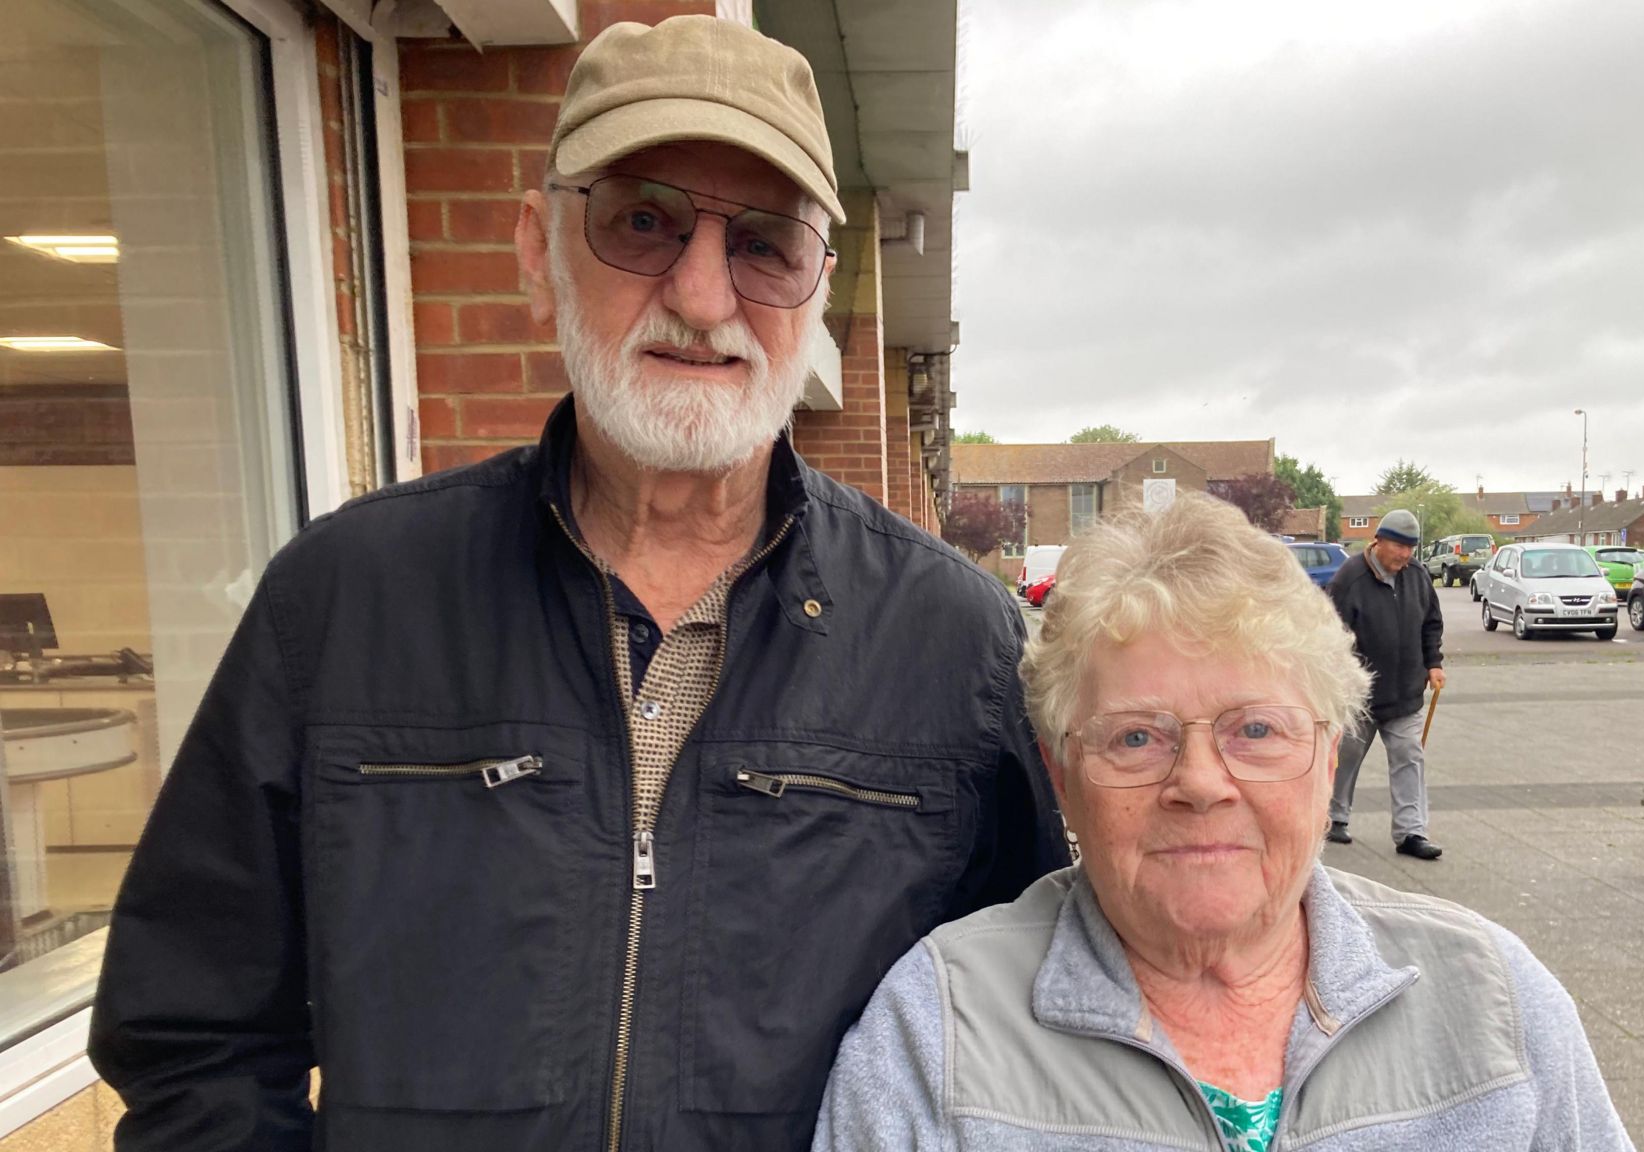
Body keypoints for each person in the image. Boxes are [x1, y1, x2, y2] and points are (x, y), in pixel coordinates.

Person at [87, 16, 1063, 1151]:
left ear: (816, 289)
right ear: (535, 250)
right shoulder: (345, 604)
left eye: (763, 243)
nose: (701, 298)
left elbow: (1028, 1034)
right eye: (641, 222)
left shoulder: (955, 645)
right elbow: (195, 1034)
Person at [811, 494, 1631, 1150]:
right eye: (1137, 736)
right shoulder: (937, 1033)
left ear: (1329, 749)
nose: (1201, 783)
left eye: (1256, 731)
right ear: (1061, 774)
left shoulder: (1496, 1004)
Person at [1325, 507, 1445, 858]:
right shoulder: (1349, 579)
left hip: (1405, 690)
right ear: (1378, 541)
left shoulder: (1418, 576)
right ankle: (1334, 817)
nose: (1405, 554)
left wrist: (1433, 663)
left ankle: (1411, 833)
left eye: (1411, 548)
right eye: (1399, 546)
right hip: (1359, 696)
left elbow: (1431, 623)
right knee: (1344, 755)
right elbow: (1333, 636)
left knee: (1410, 755)